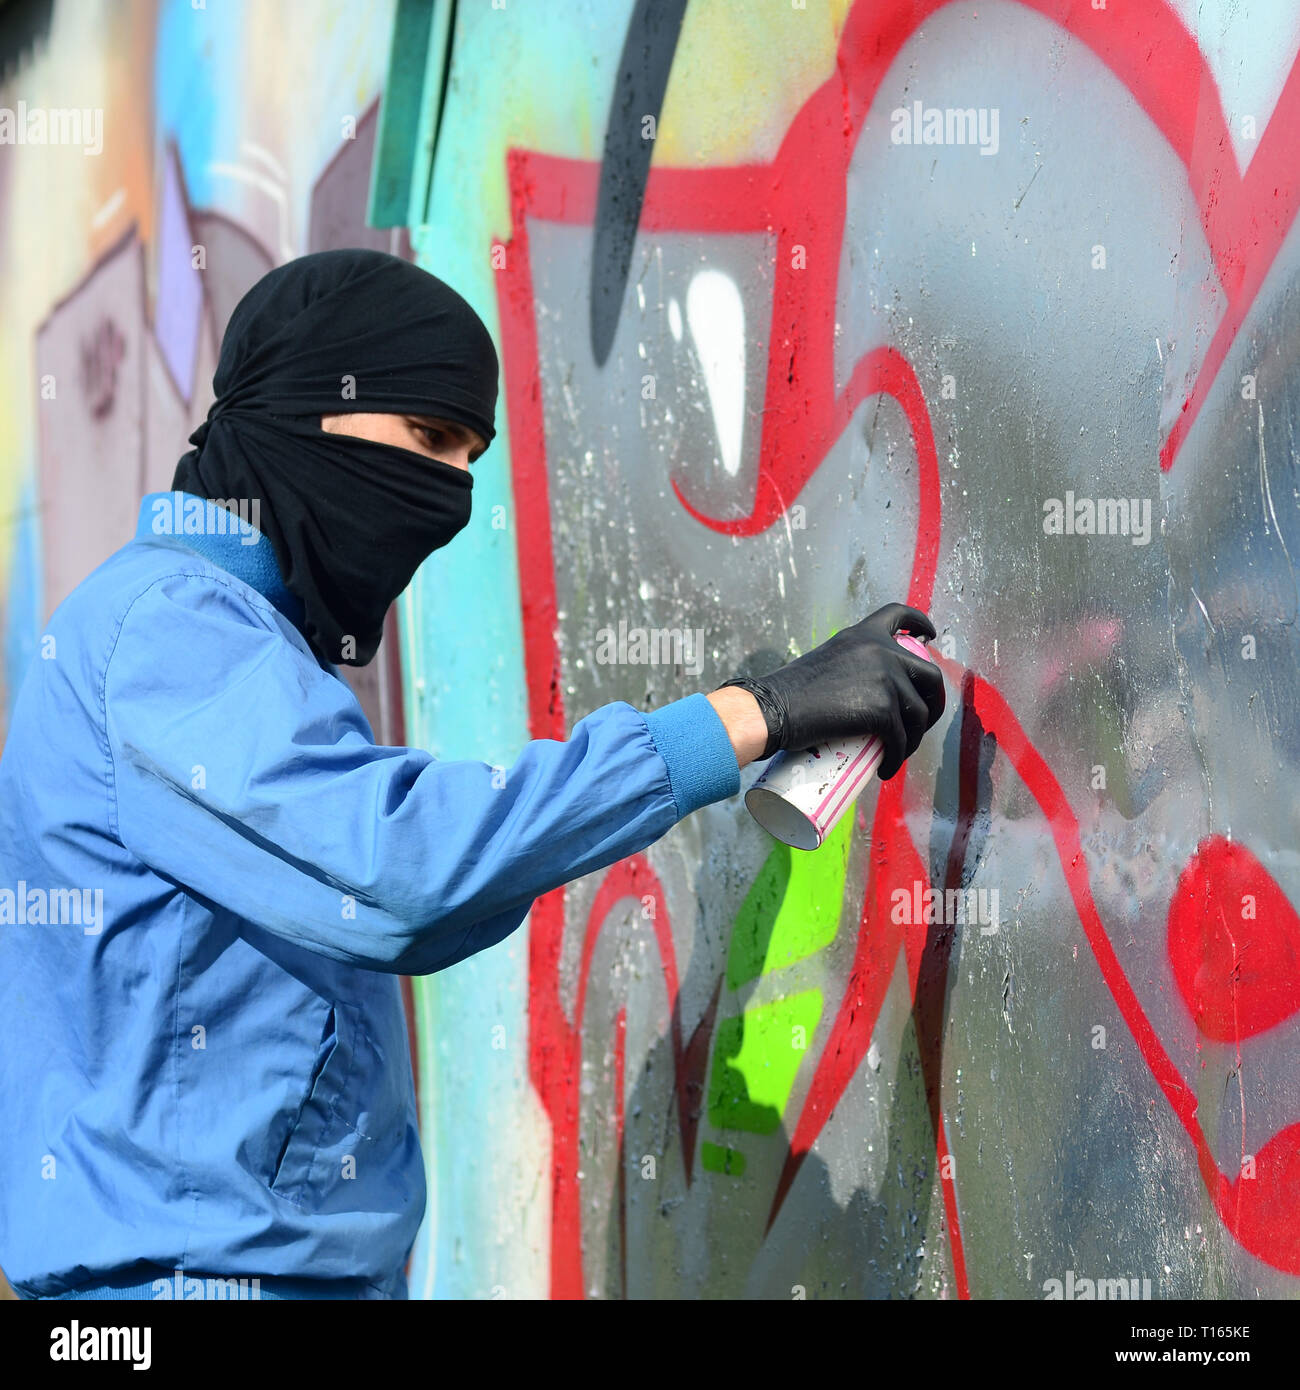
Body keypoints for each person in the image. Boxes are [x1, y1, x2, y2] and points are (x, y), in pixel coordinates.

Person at [0, 248, 944, 1300]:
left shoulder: (233, 640)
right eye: (426, 437)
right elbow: (402, 870)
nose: (448, 492)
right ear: (307, 404)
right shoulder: (171, 633)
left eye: (470, 454)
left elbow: (432, 893)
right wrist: (750, 717)